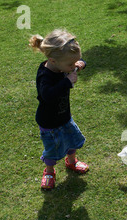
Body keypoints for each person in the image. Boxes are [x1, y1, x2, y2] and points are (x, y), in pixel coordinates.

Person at [29, 29, 89, 189]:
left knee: (71, 141)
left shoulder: (64, 66)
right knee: (52, 150)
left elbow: (77, 61)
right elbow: (47, 95)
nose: (73, 66)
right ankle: (49, 172)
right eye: (71, 64)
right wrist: (66, 82)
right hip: (49, 123)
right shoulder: (45, 75)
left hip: (64, 117)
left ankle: (71, 162)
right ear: (53, 60)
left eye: (74, 63)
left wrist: (80, 64)